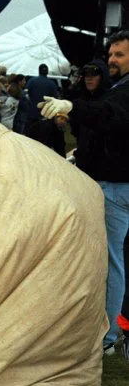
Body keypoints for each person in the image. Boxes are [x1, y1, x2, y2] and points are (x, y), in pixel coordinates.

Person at [39, 30, 129, 354]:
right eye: (111, 55)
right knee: (110, 259)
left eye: (120, 55)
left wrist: (71, 107)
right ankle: (105, 328)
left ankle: (107, 337)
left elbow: (109, 115)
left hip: (115, 188)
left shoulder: (124, 92)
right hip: (111, 184)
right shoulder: (117, 88)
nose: (112, 60)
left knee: (110, 262)